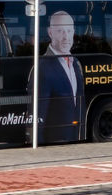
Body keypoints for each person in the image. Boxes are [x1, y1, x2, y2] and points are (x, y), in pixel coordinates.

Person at [36, 10, 85, 144]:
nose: (66, 37)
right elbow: (39, 113)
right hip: (55, 138)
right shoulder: (43, 67)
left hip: (73, 137)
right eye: (60, 31)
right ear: (50, 32)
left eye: (69, 31)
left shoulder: (75, 63)